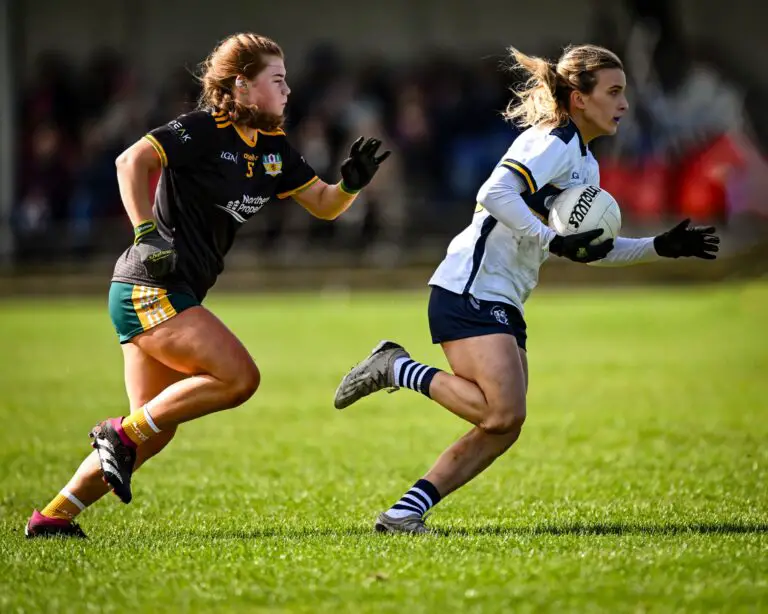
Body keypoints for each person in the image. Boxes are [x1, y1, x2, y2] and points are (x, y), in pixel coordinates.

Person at [333, 44, 719, 534]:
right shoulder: (552, 141)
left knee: (504, 426)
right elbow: (492, 194)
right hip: (469, 285)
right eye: (614, 92)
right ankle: (395, 366)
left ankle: (404, 512)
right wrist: (551, 240)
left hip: (504, 295)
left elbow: (588, 249)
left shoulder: (586, 165)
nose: (624, 104)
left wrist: (658, 246)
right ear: (579, 98)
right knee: (502, 411)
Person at [25, 32, 390, 538]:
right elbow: (130, 162)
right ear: (242, 86)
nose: (288, 91)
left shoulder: (275, 150)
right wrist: (146, 234)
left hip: (174, 294)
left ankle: (52, 517)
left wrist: (351, 183)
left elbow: (326, 205)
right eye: (277, 80)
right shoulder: (203, 130)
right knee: (239, 378)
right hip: (149, 287)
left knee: (151, 431)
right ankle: (115, 434)